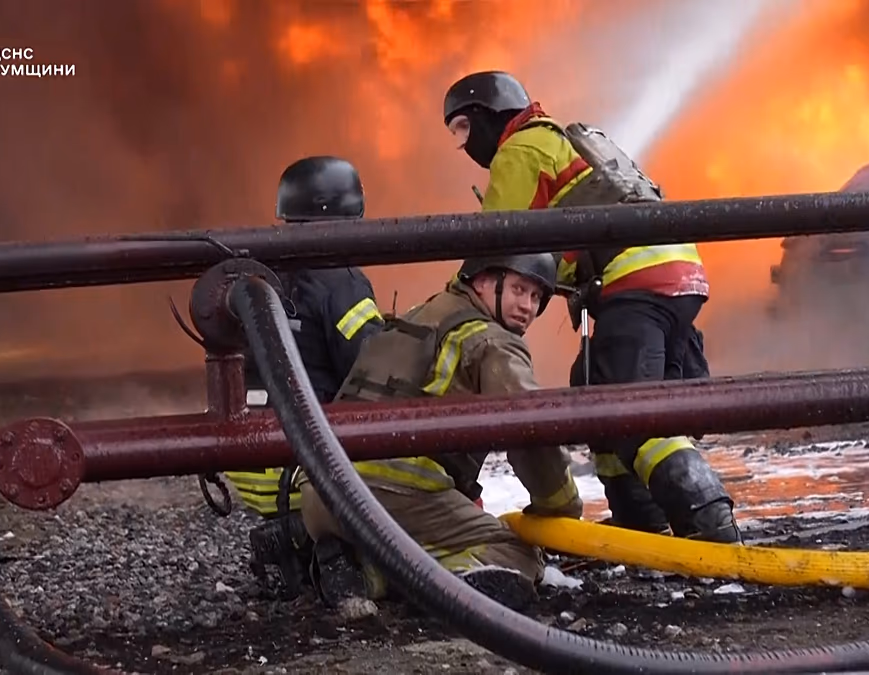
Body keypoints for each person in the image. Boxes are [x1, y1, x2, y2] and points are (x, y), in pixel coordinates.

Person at [442, 71, 741, 544]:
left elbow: (497, 244)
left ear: (487, 113)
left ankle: (709, 522)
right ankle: (639, 519)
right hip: (677, 274)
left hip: (636, 278)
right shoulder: (559, 142)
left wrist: (450, 305)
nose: (462, 145)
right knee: (593, 386)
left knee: (633, 409)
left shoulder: (519, 150)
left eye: (462, 129)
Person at [295, 253, 584, 613]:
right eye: (518, 289)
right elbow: (531, 431)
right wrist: (561, 507)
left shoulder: (419, 315)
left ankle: (357, 567)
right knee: (515, 554)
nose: (527, 306)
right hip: (390, 494)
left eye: (537, 298)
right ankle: (398, 583)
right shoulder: (491, 341)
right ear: (481, 281)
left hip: (319, 491)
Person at [221, 156, 386, 598]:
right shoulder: (342, 282)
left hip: (248, 462)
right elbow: (373, 368)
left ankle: (298, 540)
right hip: (303, 471)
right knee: (410, 482)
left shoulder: (257, 273)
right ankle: (310, 537)